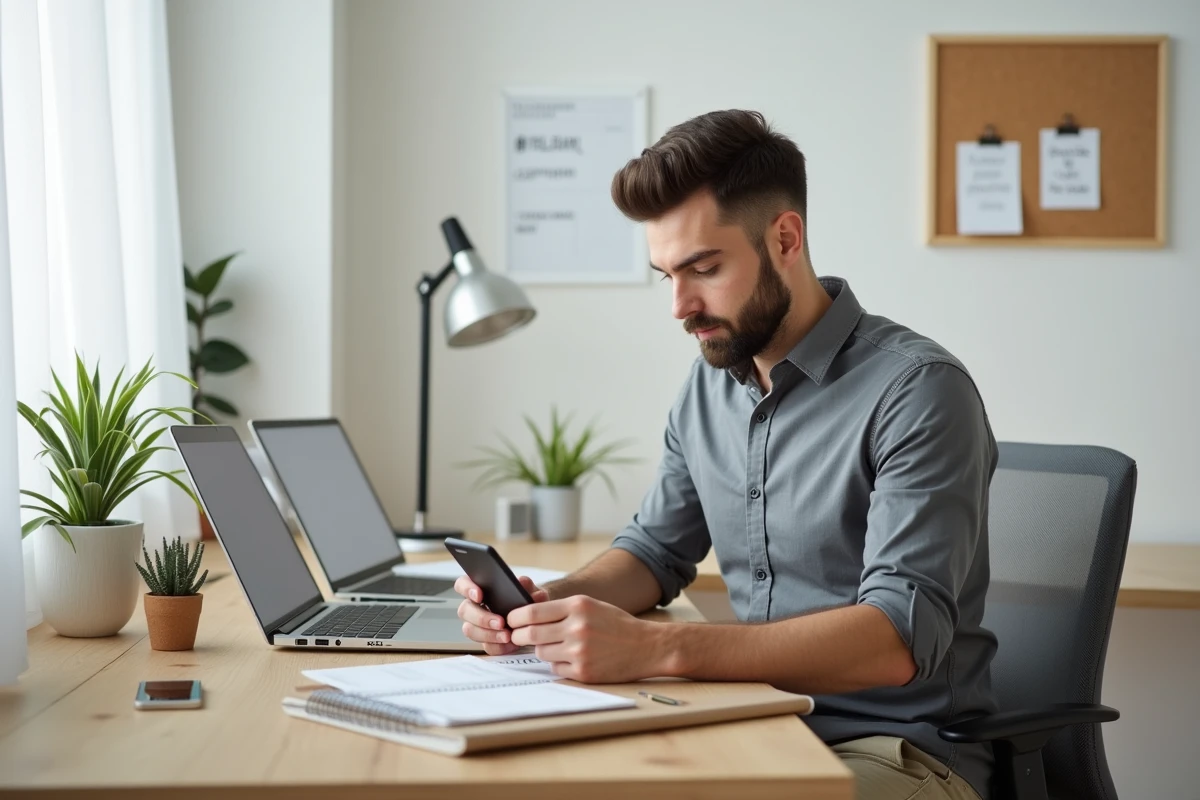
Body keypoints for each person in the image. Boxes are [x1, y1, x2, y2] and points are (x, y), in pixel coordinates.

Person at [455, 109, 998, 800]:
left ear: (785, 238)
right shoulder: (710, 384)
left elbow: (894, 639)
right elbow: (654, 553)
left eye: (704, 268)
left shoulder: (917, 390)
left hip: (896, 752)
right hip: (752, 722)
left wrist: (658, 649)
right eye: (666, 275)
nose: (681, 306)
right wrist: (547, 608)